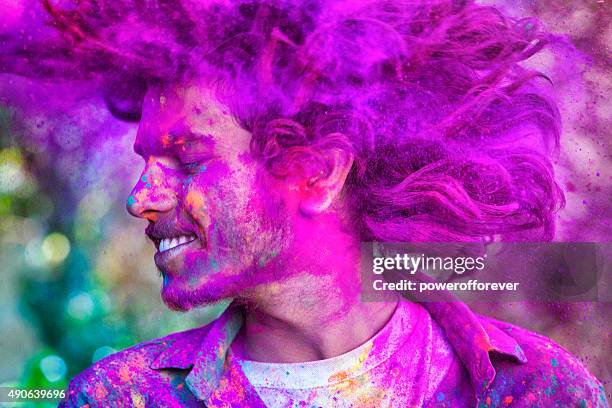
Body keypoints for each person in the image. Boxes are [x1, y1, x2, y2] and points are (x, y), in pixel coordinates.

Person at [3, 0, 607, 406]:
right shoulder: (117, 398)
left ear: (316, 173)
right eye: (145, 162)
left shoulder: (537, 389)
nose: (142, 199)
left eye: (188, 160)